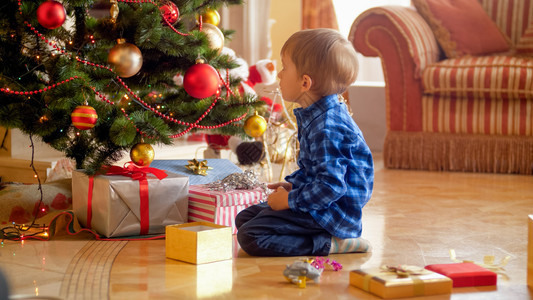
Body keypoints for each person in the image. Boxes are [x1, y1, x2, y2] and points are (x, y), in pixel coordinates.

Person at [235, 28, 374, 256]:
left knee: (250, 236)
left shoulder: (327, 128)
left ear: (305, 82)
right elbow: (316, 171)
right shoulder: (316, 114)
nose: (279, 75)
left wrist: (291, 200)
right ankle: (319, 235)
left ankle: (333, 243)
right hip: (320, 202)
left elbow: (331, 187)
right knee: (245, 218)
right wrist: (293, 187)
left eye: (284, 68)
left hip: (333, 212)